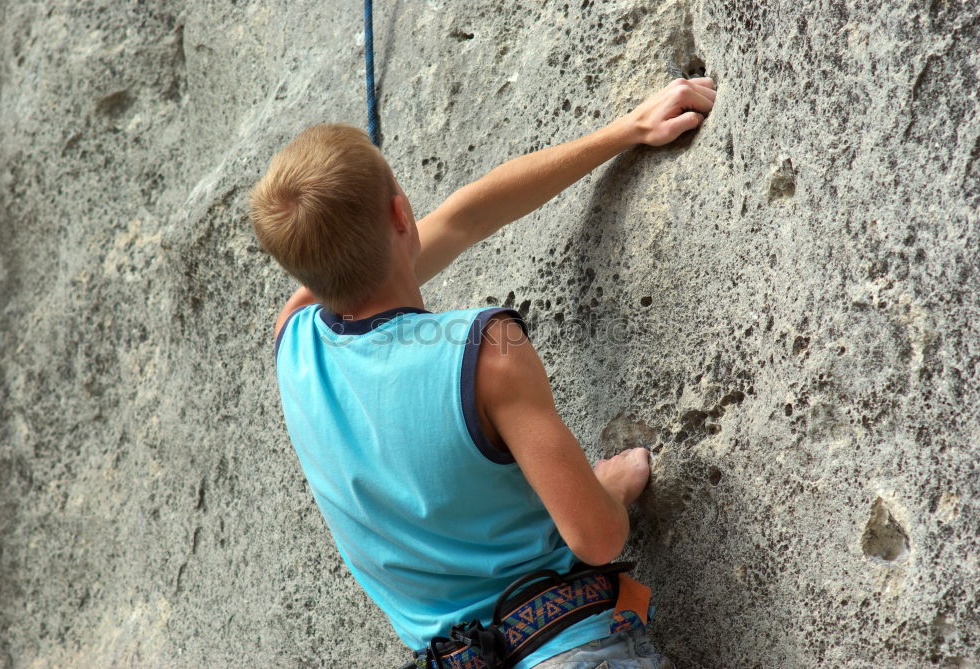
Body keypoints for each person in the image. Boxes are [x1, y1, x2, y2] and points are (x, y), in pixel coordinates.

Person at [250, 76, 716, 669]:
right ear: (400, 211)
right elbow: (597, 539)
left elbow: (466, 217)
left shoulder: (293, 339)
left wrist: (624, 130)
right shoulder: (485, 349)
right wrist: (605, 489)